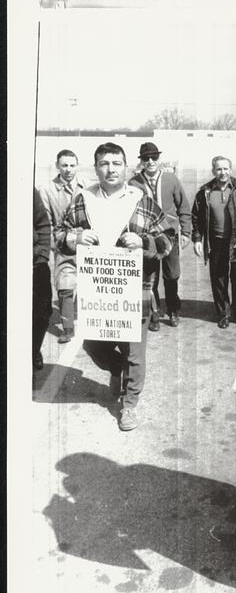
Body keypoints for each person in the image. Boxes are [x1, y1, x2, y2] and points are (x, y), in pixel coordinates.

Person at [55, 143, 175, 431]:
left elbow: (167, 240)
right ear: (95, 167)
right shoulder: (83, 200)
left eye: (116, 163)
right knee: (93, 343)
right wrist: (75, 237)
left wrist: (144, 242)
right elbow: (59, 235)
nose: (110, 169)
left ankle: (129, 405)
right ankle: (115, 367)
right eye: (104, 163)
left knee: (135, 353)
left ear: (125, 166)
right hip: (96, 292)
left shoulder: (141, 199)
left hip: (136, 292)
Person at [129, 142, 191, 331]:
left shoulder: (171, 179)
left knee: (172, 275)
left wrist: (186, 232)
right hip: (147, 239)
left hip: (170, 235)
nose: (150, 161)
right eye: (146, 158)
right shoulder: (134, 183)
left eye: (154, 157)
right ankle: (153, 314)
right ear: (141, 160)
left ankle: (173, 310)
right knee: (150, 278)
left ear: (159, 159)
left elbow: (184, 208)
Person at [191, 156, 236, 328]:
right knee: (219, 279)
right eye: (219, 169)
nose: (222, 172)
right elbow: (196, 219)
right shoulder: (204, 192)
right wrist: (197, 239)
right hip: (216, 242)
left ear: (231, 170)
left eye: (226, 168)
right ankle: (223, 313)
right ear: (213, 171)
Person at [39, 149, 86, 343]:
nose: (68, 169)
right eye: (64, 165)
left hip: (89, 243)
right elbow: (46, 222)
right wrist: (55, 246)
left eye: (72, 165)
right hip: (63, 244)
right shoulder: (47, 190)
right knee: (65, 286)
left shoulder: (88, 187)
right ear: (57, 166)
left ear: (77, 165)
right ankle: (68, 328)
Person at [32, 187, 52, 371]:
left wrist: (42, 255)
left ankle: (33, 350)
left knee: (42, 313)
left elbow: (43, 224)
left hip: (34, 263)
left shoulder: (27, 189)